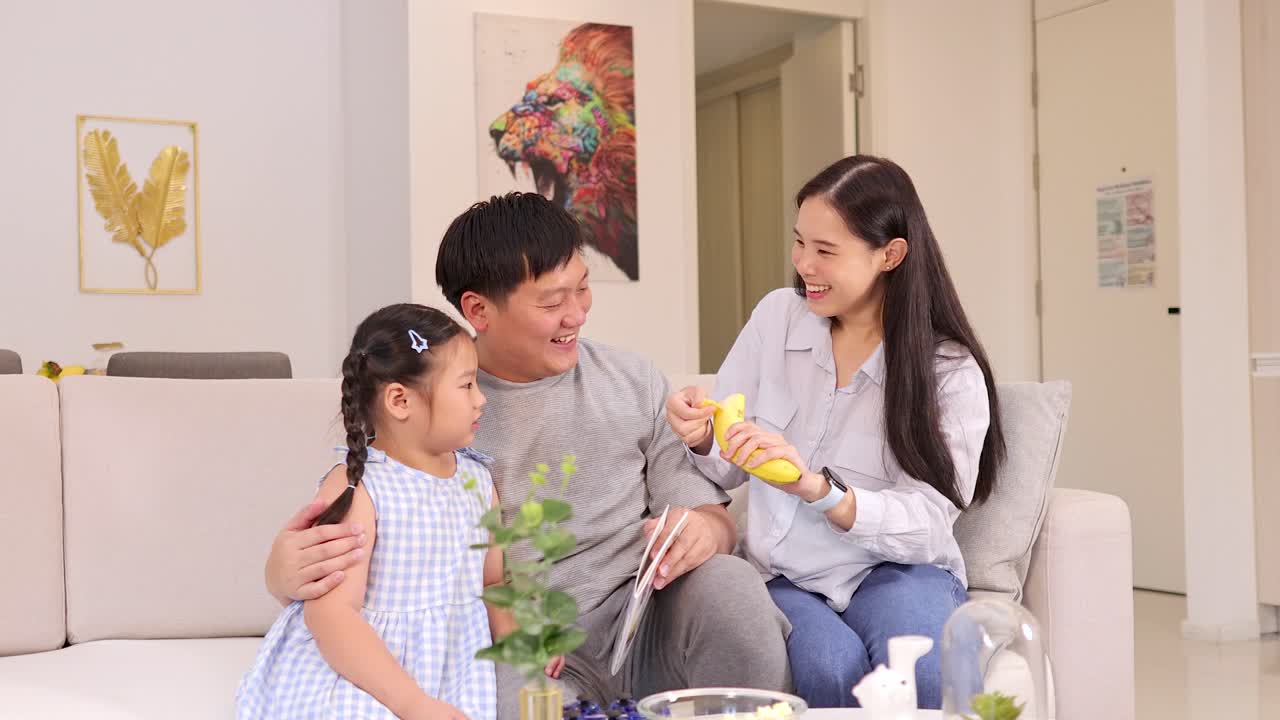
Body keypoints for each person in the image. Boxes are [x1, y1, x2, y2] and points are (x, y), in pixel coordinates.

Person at [263, 193, 791, 719]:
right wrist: (283, 575)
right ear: (478, 310)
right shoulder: (436, 412)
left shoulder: (633, 381)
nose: (576, 314)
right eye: (551, 301)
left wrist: (703, 530)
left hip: (646, 616)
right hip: (530, 640)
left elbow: (714, 521)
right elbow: (378, 530)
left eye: (582, 289)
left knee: (732, 585)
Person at [665, 155, 1006, 709]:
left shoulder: (947, 369)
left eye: (826, 251)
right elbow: (724, 465)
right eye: (800, 243)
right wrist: (702, 434)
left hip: (898, 570)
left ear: (890, 255)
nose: (804, 265)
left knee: (919, 665)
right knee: (828, 669)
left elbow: (927, 523)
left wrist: (820, 490)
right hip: (788, 576)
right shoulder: (776, 319)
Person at [237, 303, 530, 720]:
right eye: (466, 386)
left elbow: (493, 583)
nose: (481, 400)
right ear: (399, 400)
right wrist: (413, 703)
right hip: (360, 667)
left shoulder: (478, 482)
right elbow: (331, 614)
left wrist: (523, 648)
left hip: (450, 668)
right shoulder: (360, 486)